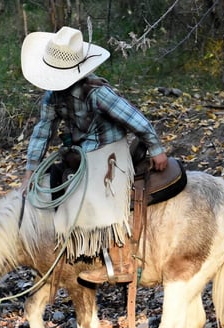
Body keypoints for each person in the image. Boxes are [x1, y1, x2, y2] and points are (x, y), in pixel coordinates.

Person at [19, 26, 168, 284]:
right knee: (54, 180)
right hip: (79, 149)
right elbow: (43, 130)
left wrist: (155, 147)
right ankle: (70, 250)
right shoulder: (52, 97)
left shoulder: (98, 93)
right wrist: (30, 171)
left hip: (108, 149)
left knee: (96, 192)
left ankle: (121, 263)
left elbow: (135, 119)